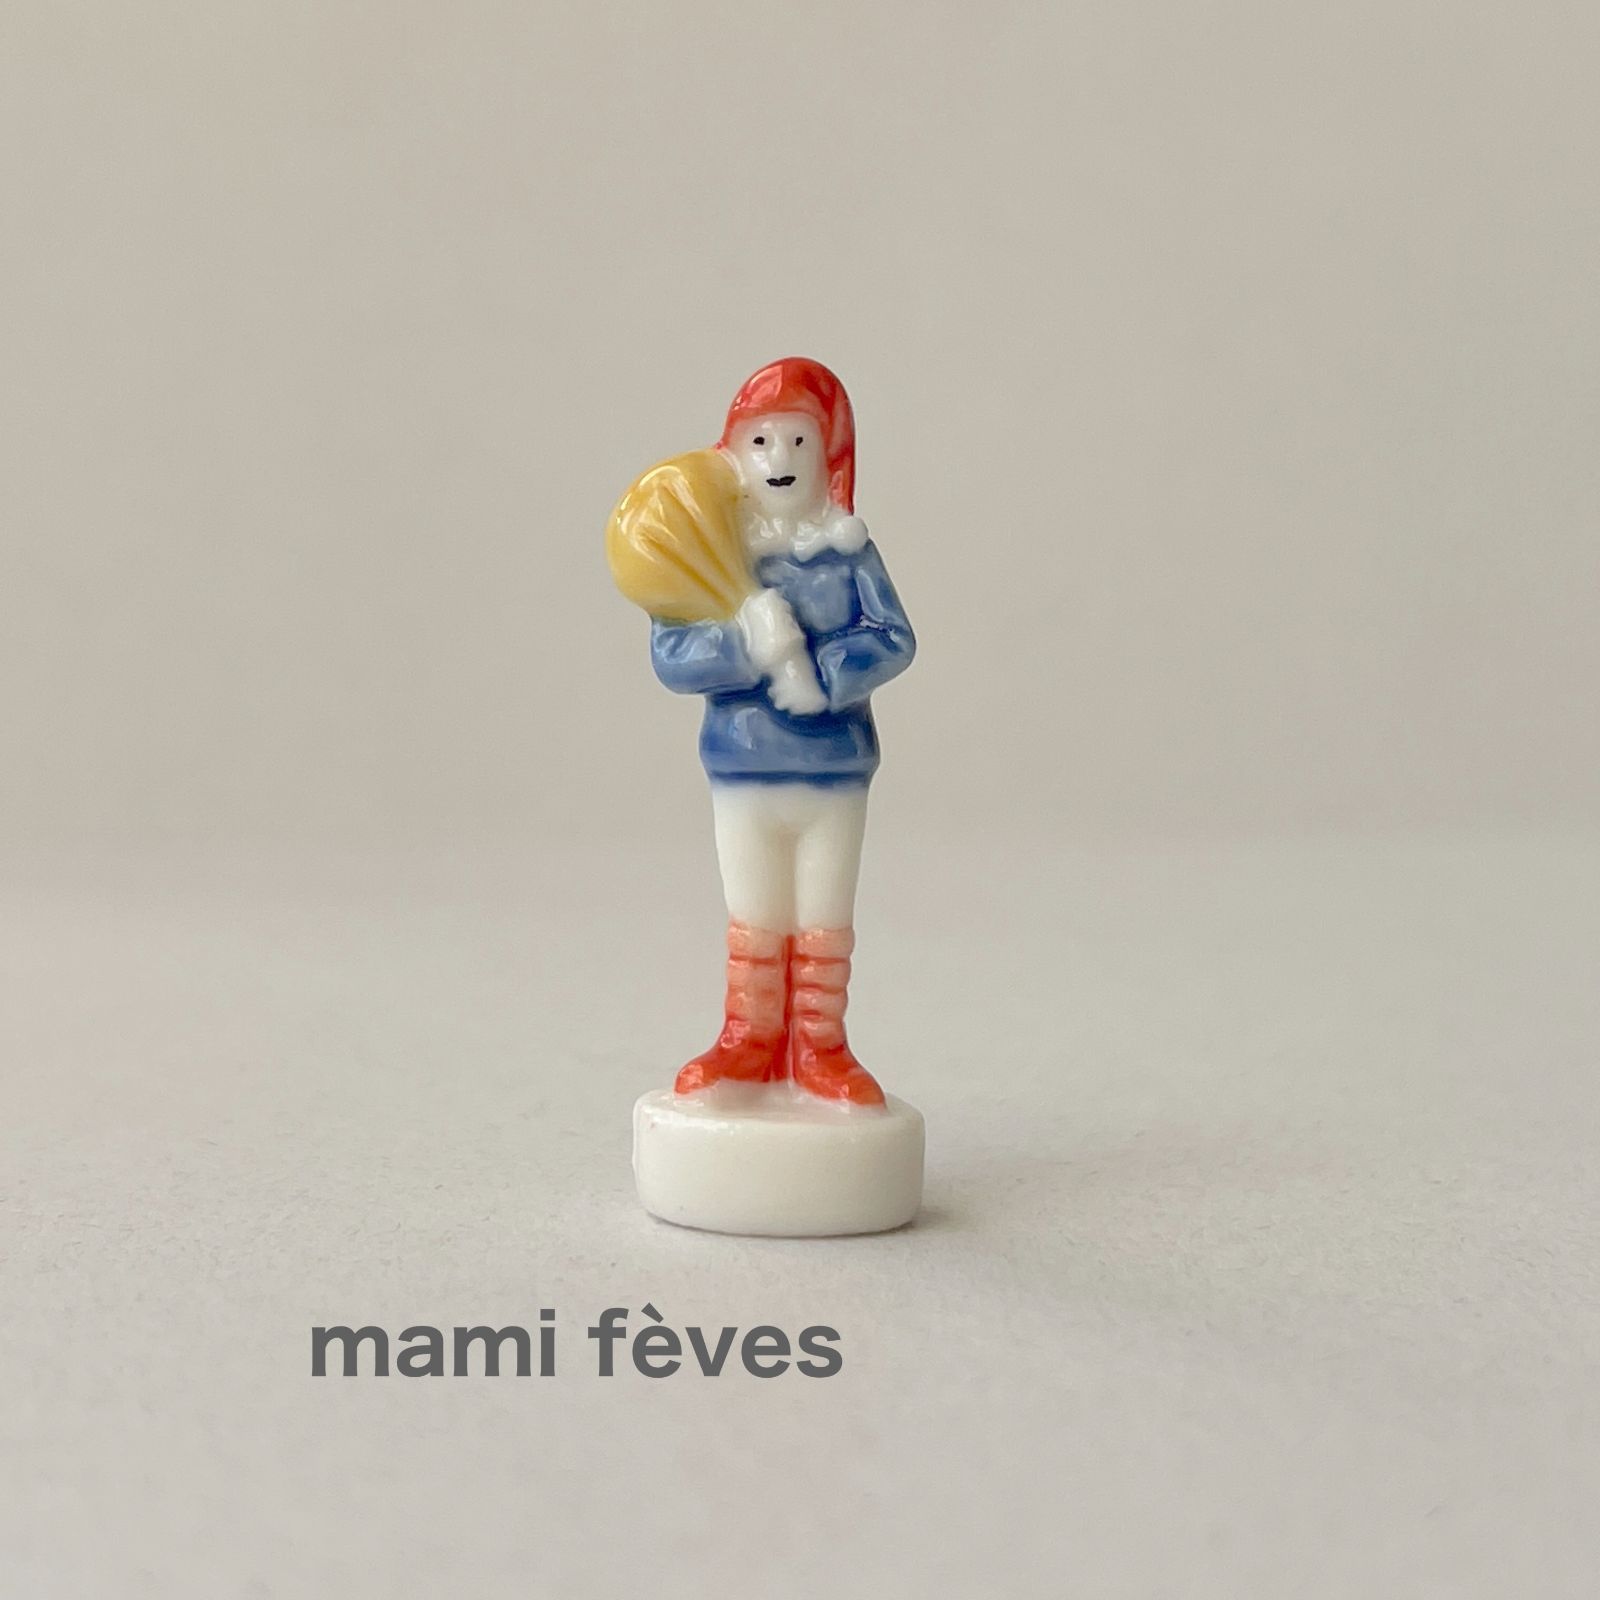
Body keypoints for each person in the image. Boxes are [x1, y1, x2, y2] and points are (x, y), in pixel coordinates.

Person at [649, 358, 916, 1106]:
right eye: (762, 441)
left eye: (799, 442)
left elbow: (894, 637)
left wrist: (825, 677)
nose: (780, 459)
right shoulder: (711, 553)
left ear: (829, 457)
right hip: (743, 765)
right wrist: (748, 643)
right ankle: (749, 1039)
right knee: (756, 913)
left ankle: (820, 1048)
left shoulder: (848, 550)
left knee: (823, 915)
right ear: (733, 454)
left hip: (834, 768)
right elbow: (672, 655)